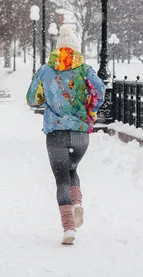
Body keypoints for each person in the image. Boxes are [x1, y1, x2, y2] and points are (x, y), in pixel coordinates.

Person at [26, 24, 106, 245]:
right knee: (73, 169)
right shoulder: (85, 70)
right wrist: (90, 110)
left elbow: (32, 99)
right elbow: (99, 91)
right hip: (80, 133)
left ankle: (69, 229)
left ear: (57, 49)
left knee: (62, 178)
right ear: (76, 49)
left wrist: (47, 98)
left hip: (56, 133)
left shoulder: (45, 70)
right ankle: (77, 204)